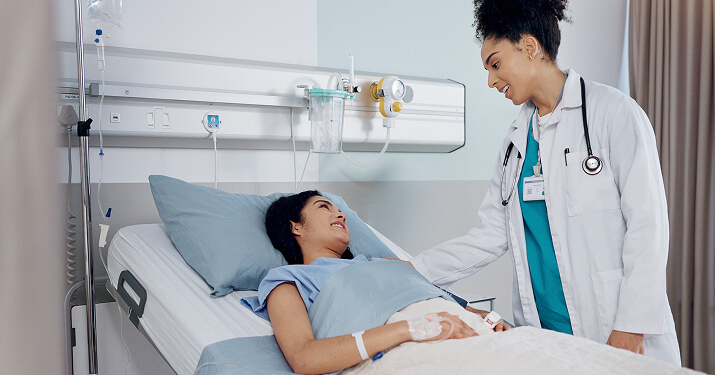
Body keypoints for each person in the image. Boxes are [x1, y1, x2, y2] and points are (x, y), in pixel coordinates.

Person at [408, 0, 682, 365]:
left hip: (613, 329)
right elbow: (491, 235)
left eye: (495, 64)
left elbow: (648, 227)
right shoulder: (515, 143)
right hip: (545, 339)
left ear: (530, 47)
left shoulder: (613, 113)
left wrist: (632, 326)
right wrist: (411, 270)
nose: (490, 81)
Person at [240, 191, 488, 374]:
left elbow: (439, 300)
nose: (340, 214)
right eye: (324, 207)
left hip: (471, 331)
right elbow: (304, 358)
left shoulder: (383, 262)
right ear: (295, 226)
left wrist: (487, 319)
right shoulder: (288, 281)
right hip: (406, 350)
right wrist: (410, 328)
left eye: (338, 209)